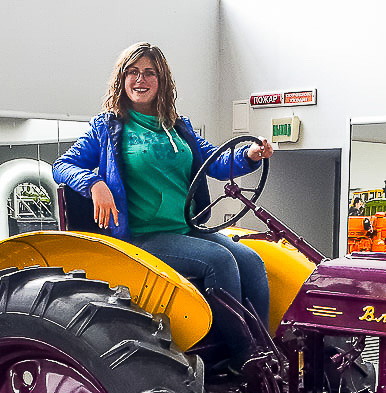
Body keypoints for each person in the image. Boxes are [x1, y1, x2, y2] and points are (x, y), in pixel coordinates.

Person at [53, 42, 274, 363]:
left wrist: (249, 155)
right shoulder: (106, 126)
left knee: (251, 260)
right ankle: (244, 359)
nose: (140, 80)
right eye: (132, 72)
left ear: (162, 82)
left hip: (185, 229)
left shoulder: (177, 127)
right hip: (140, 236)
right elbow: (62, 166)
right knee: (219, 261)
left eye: (149, 73)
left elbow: (216, 162)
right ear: (122, 79)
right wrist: (94, 181)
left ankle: (264, 348)